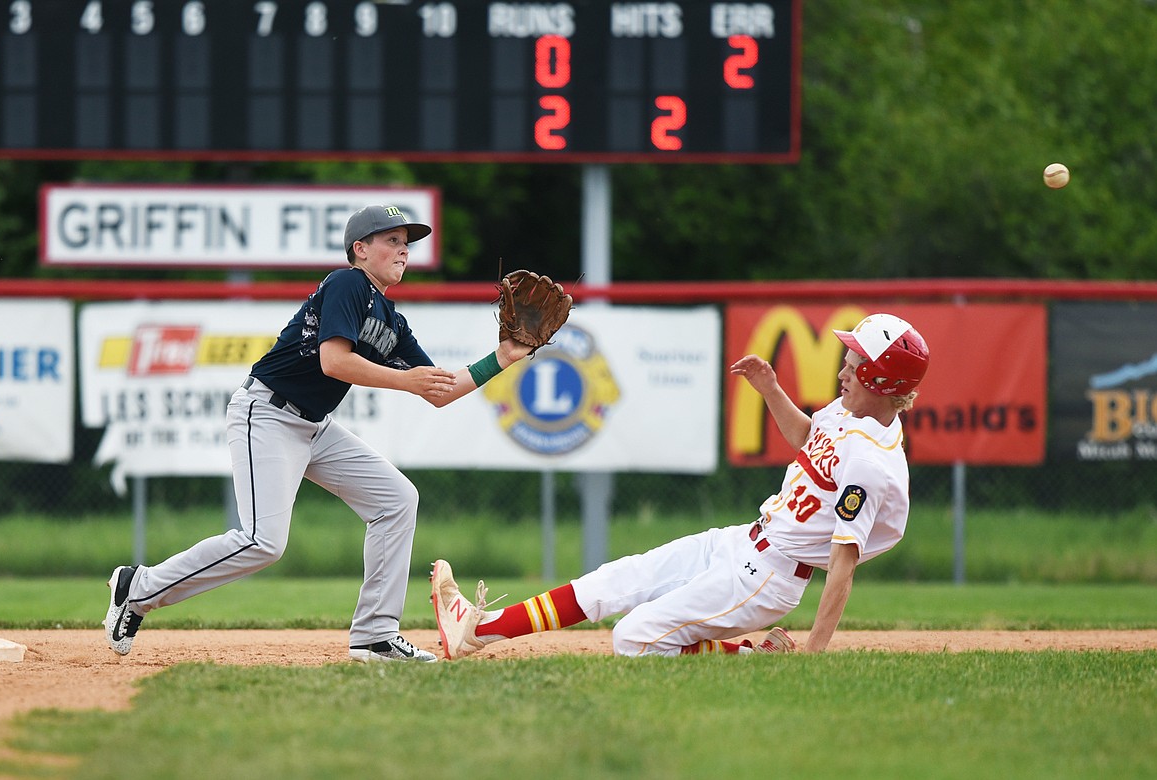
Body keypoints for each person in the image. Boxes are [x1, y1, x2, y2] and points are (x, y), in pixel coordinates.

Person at [105, 204, 536, 663]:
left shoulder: (390, 319)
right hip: (267, 413)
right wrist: (406, 380)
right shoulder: (347, 283)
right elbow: (335, 361)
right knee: (263, 541)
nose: (403, 249)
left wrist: (504, 357)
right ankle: (138, 588)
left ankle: (374, 634)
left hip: (313, 426)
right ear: (360, 249)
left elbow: (440, 390)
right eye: (391, 240)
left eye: (406, 242)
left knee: (396, 499)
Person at [431, 313, 929, 657]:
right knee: (614, 580)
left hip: (767, 579)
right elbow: (808, 438)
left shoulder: (871, 464)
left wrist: (816, 653)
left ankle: (749, 658)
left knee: (633, 638)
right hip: (742, 540)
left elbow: (843, 567)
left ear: (881, 380)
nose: (844, 367)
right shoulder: (849, 411)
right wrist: (772, 390)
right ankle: (478, 631)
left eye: (856, 362)